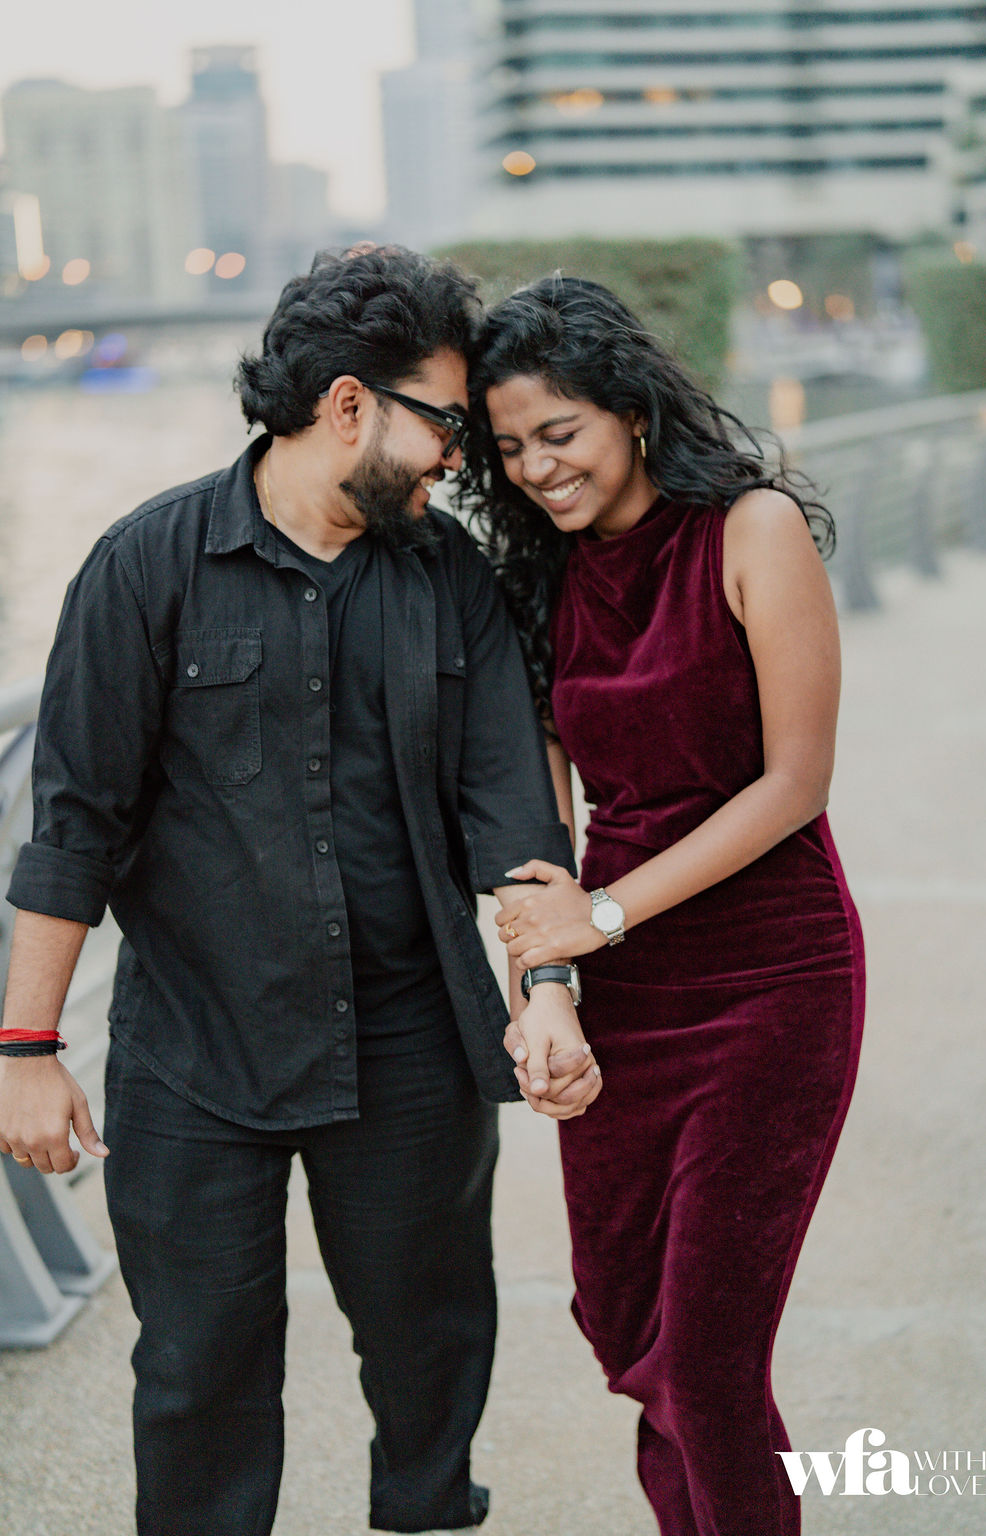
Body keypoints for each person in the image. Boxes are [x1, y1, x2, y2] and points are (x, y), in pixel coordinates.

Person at [0, 246, 600, 1536]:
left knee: (432, 1353)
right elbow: (72, 830)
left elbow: (514, 815)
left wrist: (547, 988)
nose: (459, 459)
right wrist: (26, 1049)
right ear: (346, 404)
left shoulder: (451, 578)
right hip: (194, 1054)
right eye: (444, 424)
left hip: (411, 1052)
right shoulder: (144, 566)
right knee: (196, 1380)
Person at [460, 275, 866, 1536]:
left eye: (559, 432)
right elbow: (540, 845)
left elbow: (794, 784)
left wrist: (605, 917)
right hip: (623, 994)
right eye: (510, 448)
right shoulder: (536, 584)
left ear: (630, 410)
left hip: (771, 980)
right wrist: (547, 997)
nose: (537, 468)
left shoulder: (751, 529)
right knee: (628, 1333)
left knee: (705, 1362)